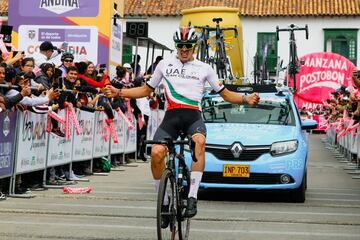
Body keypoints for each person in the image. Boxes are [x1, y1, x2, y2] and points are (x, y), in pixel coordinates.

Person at [104, 26, 260, 222]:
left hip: (193, 118)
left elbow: (226, 94)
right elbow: (145, 90)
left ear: (194, 47)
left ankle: (193, 196)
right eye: (180, 46)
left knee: (199, 143)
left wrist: (246, 99)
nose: (184, 50)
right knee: (156, 153)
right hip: (171, 118)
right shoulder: (164, 65)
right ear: (176, 46)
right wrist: (119, 92)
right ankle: (165, 201)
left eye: (188, 46)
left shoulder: (205, 68)